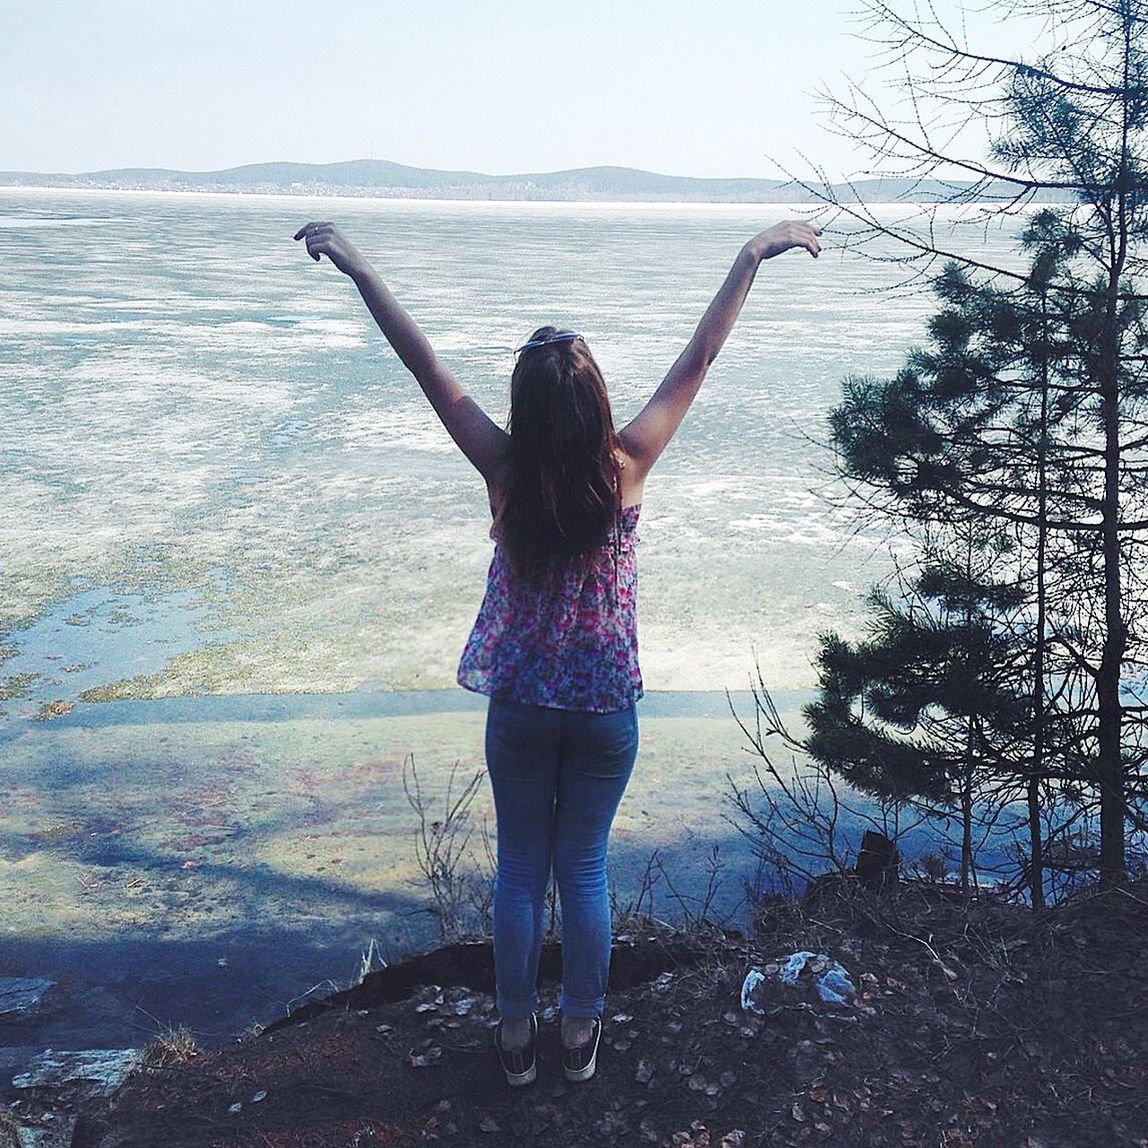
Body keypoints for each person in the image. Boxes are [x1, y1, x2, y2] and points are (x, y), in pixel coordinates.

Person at [295, 216, 821, 1085]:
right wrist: (749, 257)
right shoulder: (628, 466)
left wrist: (358, 267)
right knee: (582, 868)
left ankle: (512, 1041)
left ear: (524, 407)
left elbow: (425, 365)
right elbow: (697, 363)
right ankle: (578, 1037)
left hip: (524, 709)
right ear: (597, 405)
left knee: (519, 873)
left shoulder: (502, 468)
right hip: (605, 710)